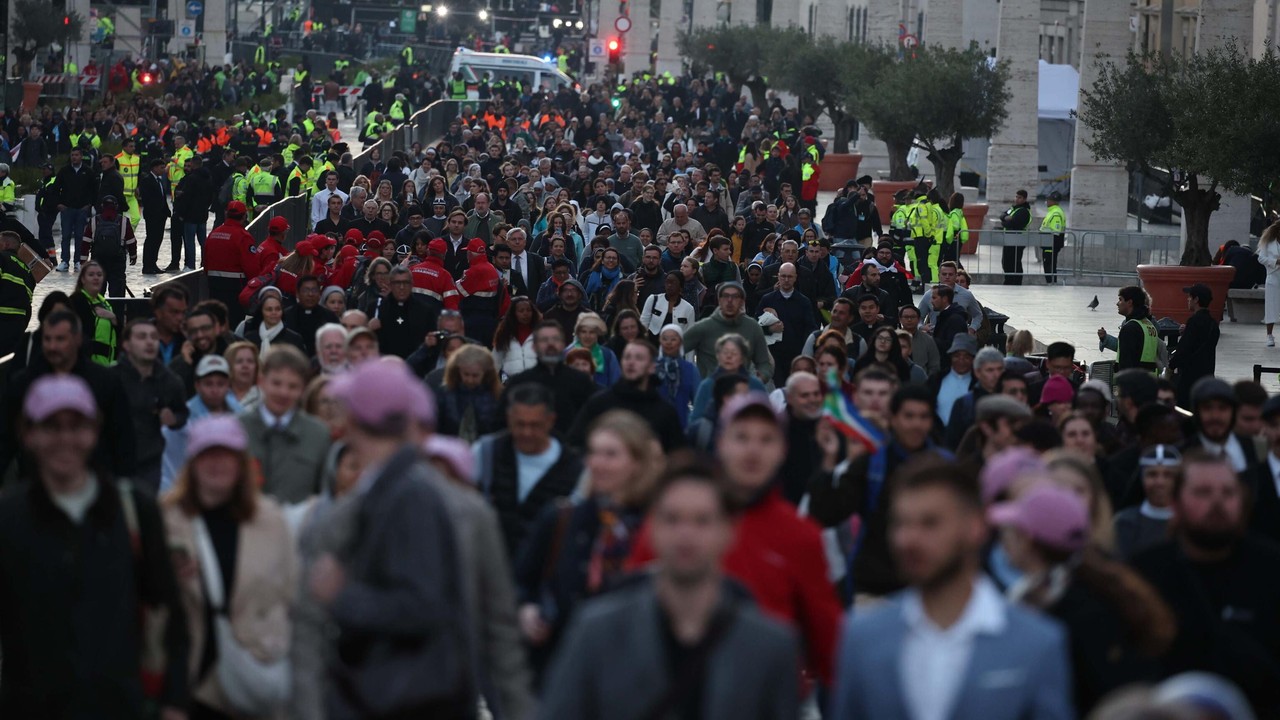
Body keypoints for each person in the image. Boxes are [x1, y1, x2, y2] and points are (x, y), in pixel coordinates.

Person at [541, 454, 800, 719]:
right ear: (651, 528)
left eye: (702, 521)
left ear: (728, 531)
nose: (685, 534)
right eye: (672, 519)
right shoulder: (597, 632)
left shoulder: (770, 646)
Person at [0, 374, 190, 718]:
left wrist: (173, 702)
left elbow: (170, 613)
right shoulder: (10, 520)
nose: (65, 439)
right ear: (28, 434)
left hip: (120, 706)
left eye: (77, 426)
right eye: (51, 426)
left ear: (95, 431)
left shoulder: (134, 510)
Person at [830, 454, 1074, 720]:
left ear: (975, 527)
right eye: (900, 523)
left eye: (930, 523)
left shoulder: (1037, 643)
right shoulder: (861, 638)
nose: (907, 540)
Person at [628, 393, 842, 686]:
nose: (753, 450)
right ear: (721, 444)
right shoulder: (676, 518)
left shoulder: (801, 536)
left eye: (766, 439)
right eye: (741, 437)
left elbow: (828, 644)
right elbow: (629, 611)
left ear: (782, 449)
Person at [310, 360, 475, 718]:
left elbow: (421, 606)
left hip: (407, 701)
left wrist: (341, 595)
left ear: (354, 420)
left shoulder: (409, 494)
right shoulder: (395, 484)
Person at [990, 483, 1174, 714]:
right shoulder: (1080, 590)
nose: (1003, 541)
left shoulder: (1076, 612)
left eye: (1009, 531)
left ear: (1026, 539)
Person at [162, 415, 295, 718]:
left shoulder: (272, 521)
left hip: (254, 676)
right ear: (192, 462)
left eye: (226, 455)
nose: (217, 463)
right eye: (208, 454)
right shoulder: (166, 519)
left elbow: (291, 596)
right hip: (189, 682)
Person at [516, 411, 662, 682]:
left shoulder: (661, 525)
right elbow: (521, 583)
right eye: (594, 453)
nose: (597, 463)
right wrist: (527, 610)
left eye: (611, 454)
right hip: (567, 670)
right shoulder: (563, 518)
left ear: (638, 462)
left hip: (638, 672)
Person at [1131, 451, 1280, 713]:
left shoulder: (1271, 567)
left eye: (1228, 493)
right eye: (1203, 492)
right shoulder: (1144, 573)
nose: (1217, 503)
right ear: (1175, 503)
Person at [475, 383, 585, 559]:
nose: (527, 433)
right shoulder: (485, 453)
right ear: (509, 418)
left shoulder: (575, 469)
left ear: (550, 421)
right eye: (520, 424)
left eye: (535, 425)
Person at [240, 346, 331, 504]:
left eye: (293, 386)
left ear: (303, 390)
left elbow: (324, 494)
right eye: (276, 383)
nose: (283, 392)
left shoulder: (318, 434)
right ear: (261, 381)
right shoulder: (237, 429)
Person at [566, 339, 687, 452]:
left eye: (639, 358)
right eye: (627, 357)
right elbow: (575, 444)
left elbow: (677, 456)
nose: (631, 362)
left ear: (651, 367)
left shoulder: (664, 412)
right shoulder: (600, 403)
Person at [114, 318, 188, 492]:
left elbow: (182, 412)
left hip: (151, 462)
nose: (149, 342)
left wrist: (174, 419)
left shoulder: (169, 380)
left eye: (154, 337)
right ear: (126, 344)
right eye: (141, 337)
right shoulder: (111, 378)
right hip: (115, 459)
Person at [501, 321, 600, 437]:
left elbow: (596, 418)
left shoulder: (581, 381)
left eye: (555, 339)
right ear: (534, 346)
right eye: (544, 340)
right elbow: (503, 421)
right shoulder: (520, 382)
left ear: (563, 344)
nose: (550, 344)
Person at [683, 281, 774, 382]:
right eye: (725, 296)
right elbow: (675, 349)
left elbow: (764, 363)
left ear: (742, 301)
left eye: (735, 296)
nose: (730, 300)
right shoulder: (704, 327)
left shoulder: (752, 327)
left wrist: (760, 378)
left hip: (742, 391)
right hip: (710, 391)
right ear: (719, 300)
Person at [1113, 444, 1180, 559]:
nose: (1160, 482)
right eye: (1152, 474)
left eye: (1168, 475)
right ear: (1142, 478)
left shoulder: (1193, 522)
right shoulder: (1124, 523)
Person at [203, 201, 261, 329]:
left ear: (226, 214)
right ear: (244, 216)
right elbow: (251, 267)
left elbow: (205, 262)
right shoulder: (243, 236)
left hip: (214, 285)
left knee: (216, 322)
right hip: (235, 288)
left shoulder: (214, 233)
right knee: (233, 324)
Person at [435, 344, 505, 442]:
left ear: (486, 373)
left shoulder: (497, 395)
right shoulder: (445, 393)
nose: (470, 380)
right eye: (466, 374)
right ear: (458, 371)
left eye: (475, 375)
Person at [1169, 283, 1220, 406]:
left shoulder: (1194, 321)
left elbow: (1184, 348)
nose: (1188, 300)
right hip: (1207, 375)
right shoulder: (1213, 323)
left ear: (1196, 299)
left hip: (1190, 378)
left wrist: (1171, 366)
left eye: (1190, 297)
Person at [80, 195, 136, 297]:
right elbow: (131, 241)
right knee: (117, 292)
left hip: (98, 260)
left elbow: (85, 242)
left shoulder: (94, 221)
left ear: (102, 206)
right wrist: (133, 256)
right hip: (117, 260)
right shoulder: (123, 221)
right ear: (116, 206)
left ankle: (97, 311)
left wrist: (83, 261)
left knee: (97, 293)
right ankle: (117, 311)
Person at [1098, 286, 1160, 373]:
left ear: (1130, 302)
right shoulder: (1149, 326)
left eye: (1120, 299)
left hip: (1132, 382)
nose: (1117, 303)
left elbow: (1126, 362)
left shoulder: (1130, 328)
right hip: (1149, 380)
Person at [70, 260, 119, 366]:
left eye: (99, 275)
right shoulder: (76, 301)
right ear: (83, 279)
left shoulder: (103, 302)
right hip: (87, 366)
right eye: (91, 275)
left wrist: (114, 318)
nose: (96, 278)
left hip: (107, 365)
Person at [139, 158, 172, 275]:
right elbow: (148, 200)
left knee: (158, 240)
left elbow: (162, 197)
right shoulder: (147, 180)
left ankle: (153, 264)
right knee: (151, 240)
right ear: (154, 168)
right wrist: (157, 211)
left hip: (160, 217)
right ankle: (147, 265)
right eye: (161, 167)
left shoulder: (159, 180)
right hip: (153, 216)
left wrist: (167, 211)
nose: (163, 170)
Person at [998, 188, 1032, 286]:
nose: (1017, 199)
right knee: (1006, 261)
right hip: (1009, 240)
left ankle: (1015, 282)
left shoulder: (1024, 211)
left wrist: (1006, 221)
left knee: (1015, 262)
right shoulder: (1013, 208)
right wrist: (1006, 218)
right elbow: (1002, 215)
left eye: (1020, 197)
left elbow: (1013, 224)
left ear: (1024, 199)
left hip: (1018, 240)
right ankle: (1008, 280)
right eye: (1016, 197)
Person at [1259, 219, 1280, 346]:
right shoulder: (1269, 243)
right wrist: (1275, 262)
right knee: (1271, 307)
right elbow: (1261, 258)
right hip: (1273, 277)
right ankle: (1269, 335)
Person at [1040, 191, 1066, 283]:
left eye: (1048, 199)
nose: (1046, 201)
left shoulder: (1055, 213)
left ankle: (1051, 282)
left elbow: (1055, 231)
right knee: (1050, 264)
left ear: (1053, 201)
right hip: (1049, 244)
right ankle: (1051, 281)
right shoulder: (1053, 211)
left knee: (1049, 264)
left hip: (1050, 244)